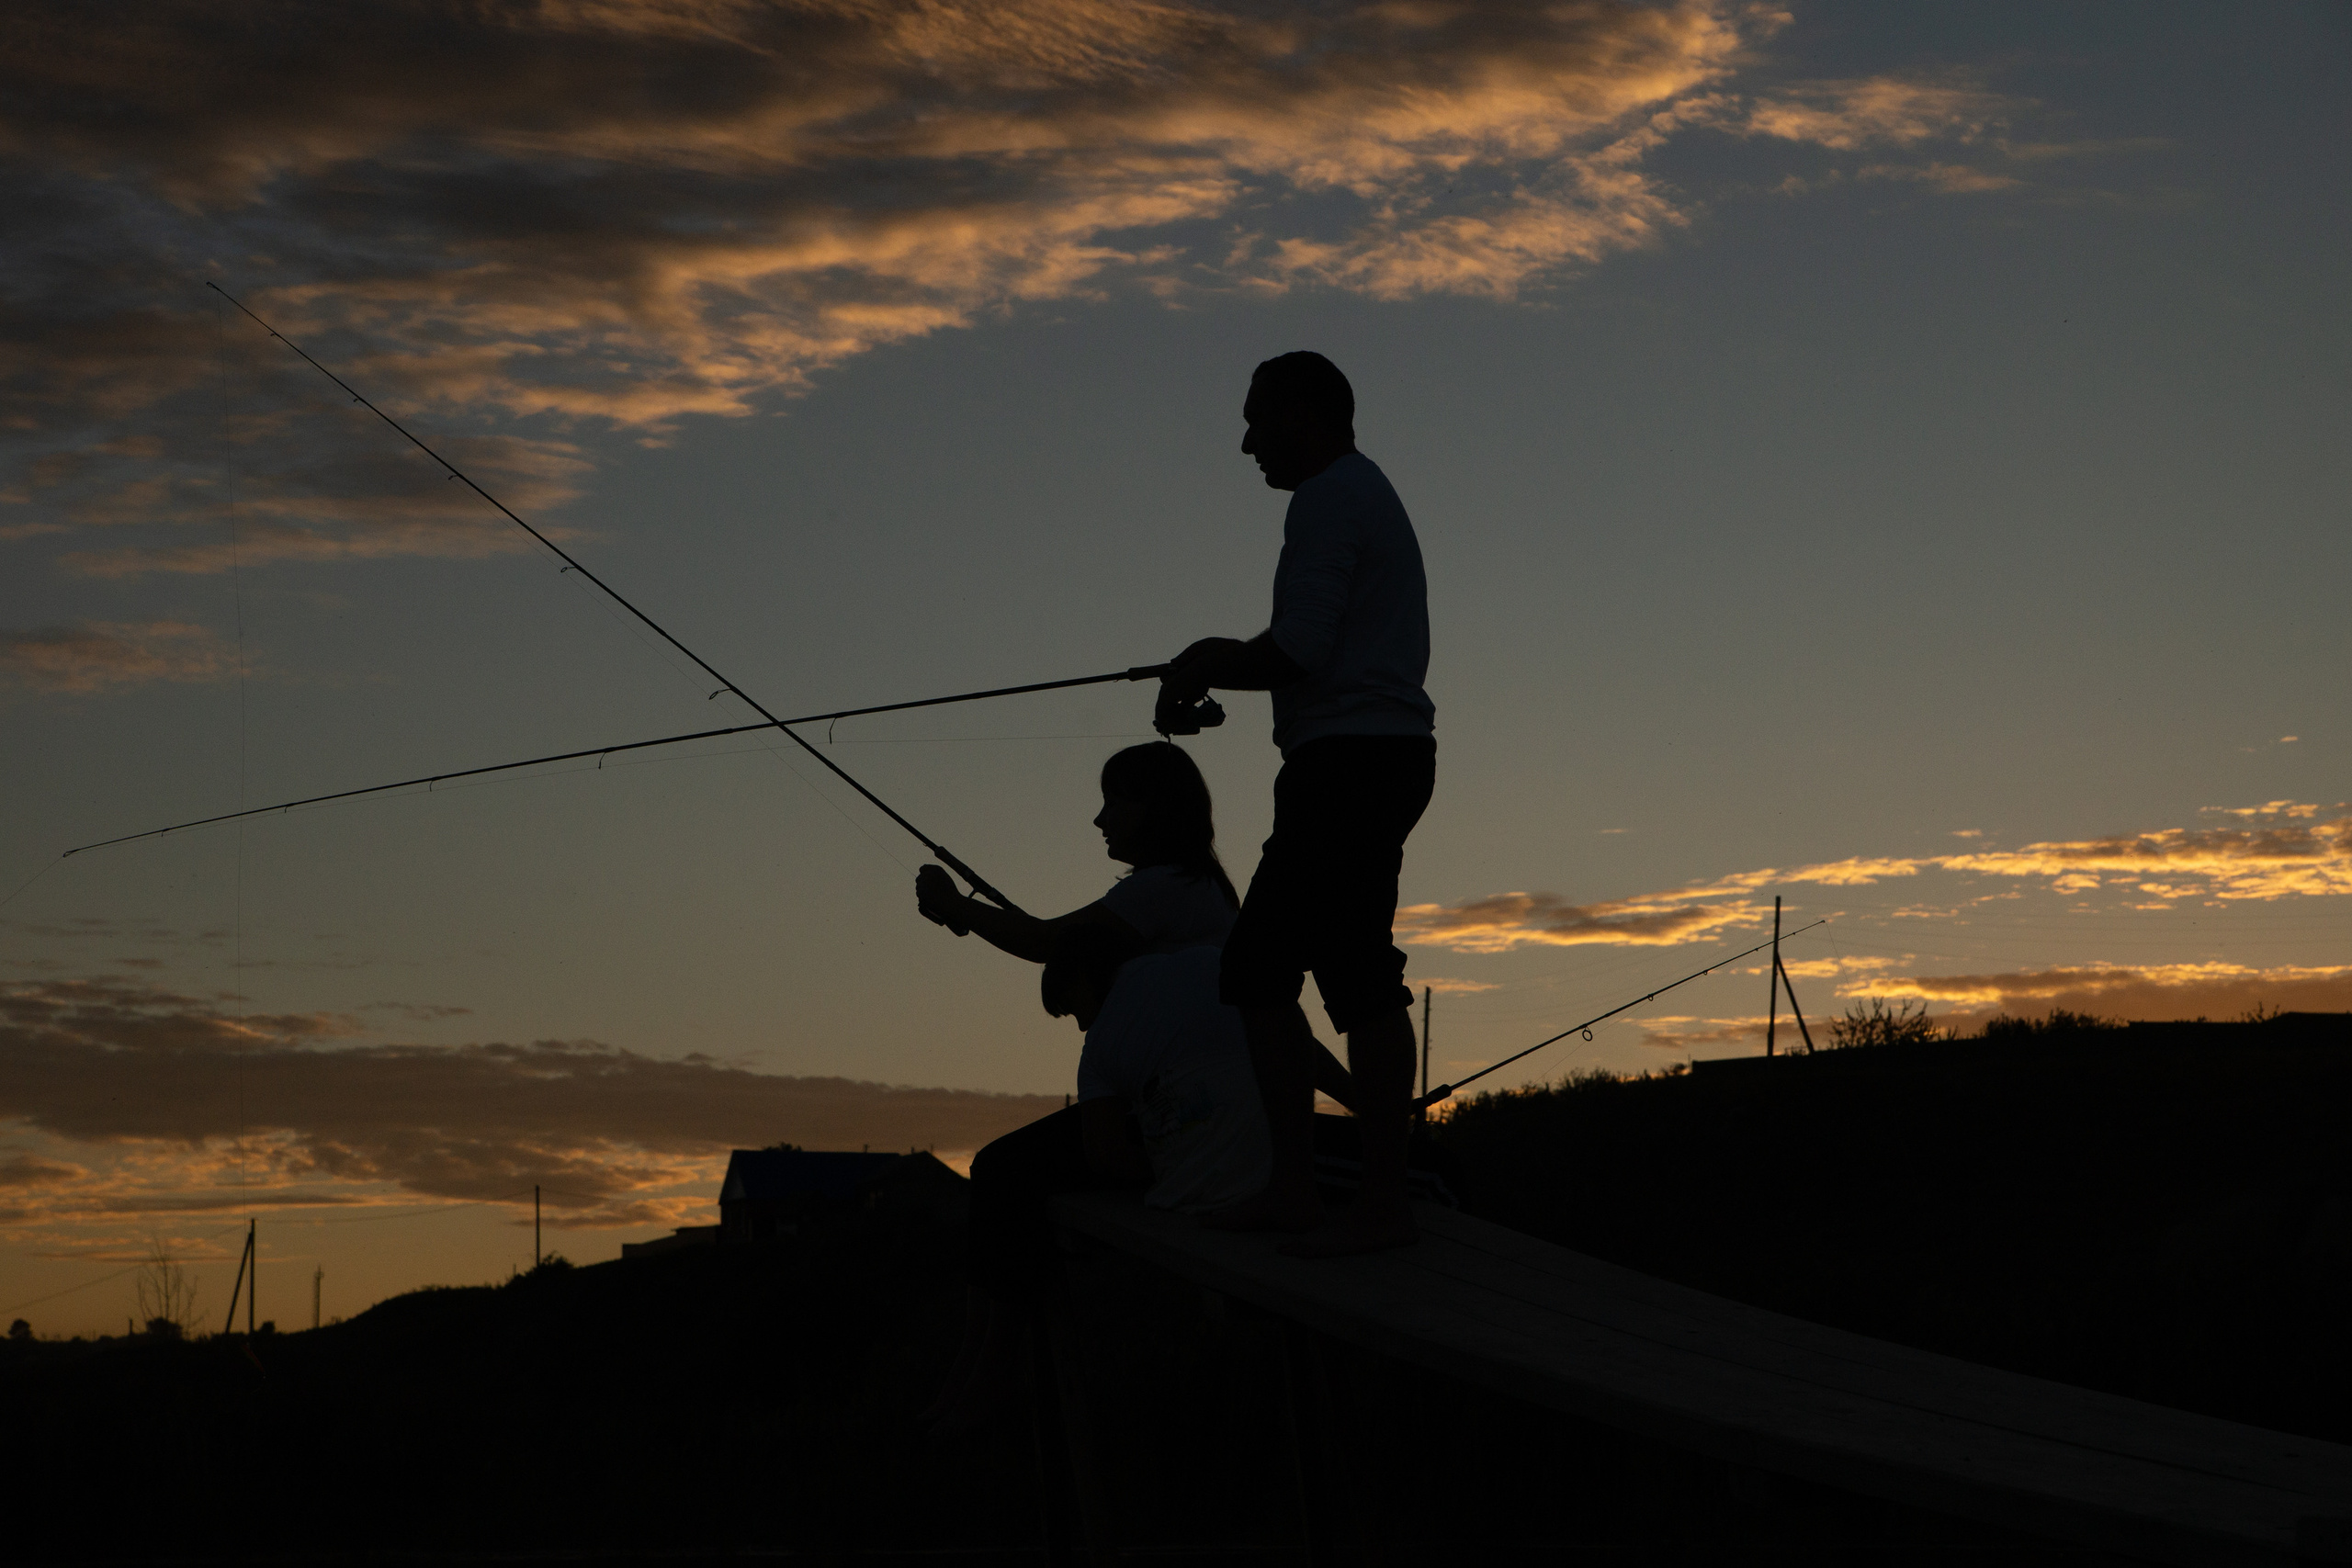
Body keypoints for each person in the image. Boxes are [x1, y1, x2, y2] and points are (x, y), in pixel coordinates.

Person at [1157, 350, 1436, 1258]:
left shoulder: (1326, 499)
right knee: (1322, 974)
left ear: (1302, 417)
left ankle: (1331, 1197)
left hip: (1349, 766)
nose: (1246, 444)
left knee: (1281, 972)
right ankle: (1342, 1196)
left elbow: (1301, 649)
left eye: (1256, 421)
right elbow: (1312, 643)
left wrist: (1207, 664)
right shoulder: (1361, 492)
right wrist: (1215, 660)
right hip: (1374, 759)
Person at [921, 925, 1270, 1434]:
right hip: (1267, 1132)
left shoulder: (1104, 1042)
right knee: (1000, 1170)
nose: (1082, 1025)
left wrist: (1166, 1161)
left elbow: (1107, 1158)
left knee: (1003, 1172)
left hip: (1217, 1172)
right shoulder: (1204, 962)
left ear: (1084, 979)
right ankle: (980, 1360)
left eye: (1072, 1009)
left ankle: (988, 1364)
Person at [914, 740, 1238, 960]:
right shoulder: (1198, 887)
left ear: (1156, 808)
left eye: (1112, 803)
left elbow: (1046, 942)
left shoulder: (1164, 886)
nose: (1099, 820)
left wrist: (950, 901)